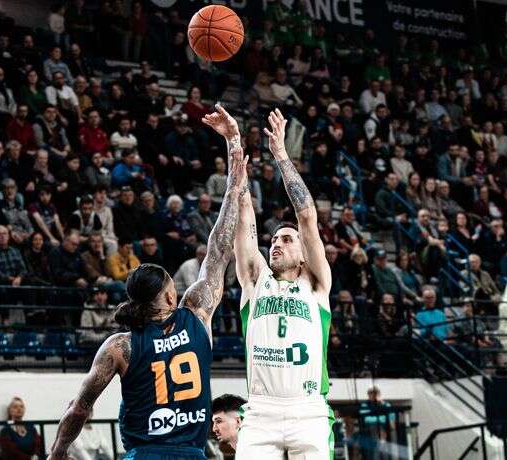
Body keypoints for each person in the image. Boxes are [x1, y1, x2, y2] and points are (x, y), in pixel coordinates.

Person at [49, 104, 246, 460]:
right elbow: (219, 244)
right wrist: (233, 147)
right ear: (171, 298)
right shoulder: (196, 314)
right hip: (191, 453)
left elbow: (80, 408)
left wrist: (57, 453)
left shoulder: (119, 347)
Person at [232, 109, 334, 458]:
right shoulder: (255, 280)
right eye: (274, 239)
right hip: (261, 411)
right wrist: (235, 156)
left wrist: (280, 155)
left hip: (309, 409)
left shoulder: (317, 284)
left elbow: (306, 215)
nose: (277, 243)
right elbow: (243, 217)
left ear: (305, 254)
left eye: (287, 240)